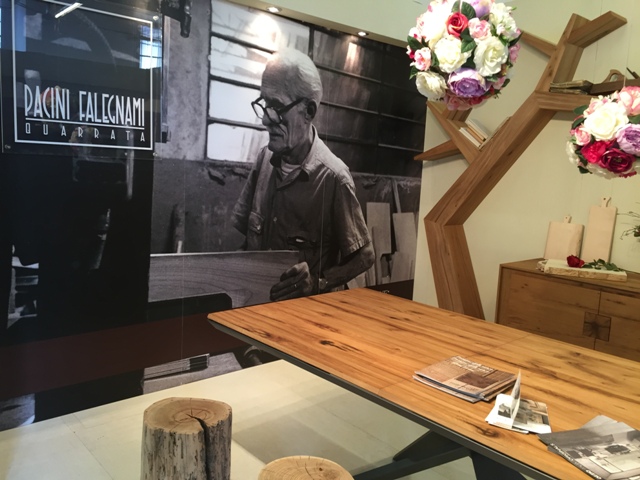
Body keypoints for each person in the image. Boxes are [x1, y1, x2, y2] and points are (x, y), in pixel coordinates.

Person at [232, 48, 374, 301]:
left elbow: (365, 256)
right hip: (257, 308)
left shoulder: (334, 178)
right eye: (265, 104)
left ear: (309, 111)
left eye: (277, 106)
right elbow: (245, 241)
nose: (266, 119)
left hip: (304, 315)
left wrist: (318, 283)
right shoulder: (264, 160)